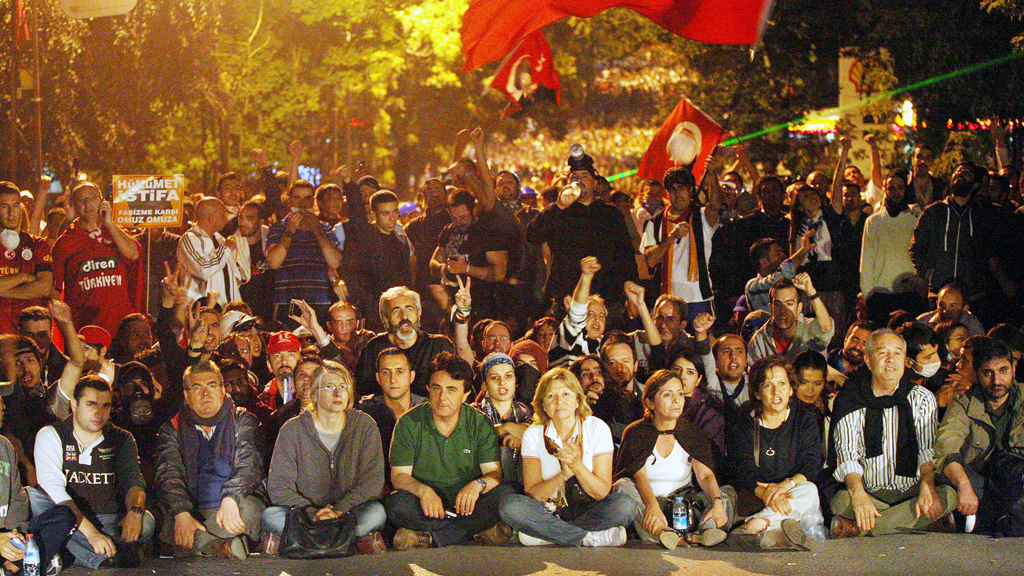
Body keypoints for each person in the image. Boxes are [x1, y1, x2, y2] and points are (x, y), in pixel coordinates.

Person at [829, 329, 956, 537]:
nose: (890, 360)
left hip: (911, 490)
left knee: (948, 495)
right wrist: (859, 494)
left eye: (897, 353)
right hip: (869, 490)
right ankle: (923, 523)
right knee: (841, 501)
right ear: (868, 361)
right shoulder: (850, 399)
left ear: (905, 360)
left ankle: (861, 527)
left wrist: (927, 484)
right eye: (882, 353)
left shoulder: (922, 398)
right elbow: (847, 457)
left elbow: (927, 450)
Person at [385, 352, 513, 549]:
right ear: (428, 389)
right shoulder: (409, 422)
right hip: (427, 505)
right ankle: (471, 532)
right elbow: (399, 476)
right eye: (436, 388)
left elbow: (494, 474)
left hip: (470, 504)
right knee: (396, 505)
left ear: (465, 395)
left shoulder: (479, 423)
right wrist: (423, 491)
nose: (442, 397)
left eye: (452, 390)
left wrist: (477, 485)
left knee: (504, 495)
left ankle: (431, 538)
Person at [499, 367, 635, 547]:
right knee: (510, 506)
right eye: (551, 396)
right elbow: (533, 493)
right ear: (543, 406)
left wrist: (577, 466)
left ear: (578, 400)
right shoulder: (533, 433)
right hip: (548, 510)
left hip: (590, 508)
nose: (559, 402)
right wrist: (563, 474)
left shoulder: (597, 428)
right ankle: (587, 537)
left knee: (625, 505)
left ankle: (547, 535)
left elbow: (601, 491)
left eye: (566, 394)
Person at [262, 361, 387, 555]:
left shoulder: (364, 425)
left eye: (343, 387)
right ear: (315, 394)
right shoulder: (293, 429)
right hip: (305, 514)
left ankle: (301, 541)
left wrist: (338, 511)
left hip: (348, 511)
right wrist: (312, 513)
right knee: (270, 516)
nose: (338, 393)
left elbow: (372, 482)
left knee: (376, 513)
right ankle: (350, 541)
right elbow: (279, 486)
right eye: (329, 387)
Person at [30, 376, 155, 569]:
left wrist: (134, 512)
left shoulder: (122, 438)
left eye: (106, 406)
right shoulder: (51, 434)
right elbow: (53, 489)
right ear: (74, 404)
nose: (99, 412)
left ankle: (70, 551)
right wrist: (91, 533)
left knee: (146, 523)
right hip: (70, 521)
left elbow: (134, 482)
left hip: (108, 519)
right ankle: (105, 556)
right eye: (91, 404)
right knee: (34, 499)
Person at [154, 361, 265, 559]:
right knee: (168, 518)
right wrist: (182, 513)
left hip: (230, 505)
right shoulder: (171, 428)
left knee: (249, 509)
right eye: (197, 388)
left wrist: (231, 497)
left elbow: (249, 465)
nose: (206, 394)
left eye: (212, 386)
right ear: (186, 396)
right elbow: (169, 475)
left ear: (222, 390)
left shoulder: (241, 420)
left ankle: (200, 544)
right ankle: (221, 546)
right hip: (193, 508)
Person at [612, 370, 734, 549]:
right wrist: (652, 506)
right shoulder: (636, 432)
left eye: (680, 394)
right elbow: (639, 475)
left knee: (726, 493)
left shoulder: (691, 432)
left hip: (682, 504)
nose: (676, 400)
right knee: (622, 486)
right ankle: (662, 532)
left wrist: (716, 502)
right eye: (667, 394)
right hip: (649, 503)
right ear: (650, 402)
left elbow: (705, 475)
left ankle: (704, 532)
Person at [725, 357, 823, 549]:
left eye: (782, 384)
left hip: (791, 492)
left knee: (809, 489)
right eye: (768, 385)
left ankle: (753, 527)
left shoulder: (804, 421)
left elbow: (812, 464)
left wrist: (785, 486)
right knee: (806, 498)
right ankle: (776, 534)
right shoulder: (745, 424)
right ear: (758, 393)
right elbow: (742, 468)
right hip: (756, 493)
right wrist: (766, 492)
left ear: (791, 389)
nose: (776, 391)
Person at [525, 147, 637, 309]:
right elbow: (533, 235)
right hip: (566, 297)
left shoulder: (610, 214)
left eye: (584, 176)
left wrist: (629, 295)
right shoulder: (558, 211)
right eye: (574, 177)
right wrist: (559, 206)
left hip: (605, 298)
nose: (579, 181)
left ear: (595, 182)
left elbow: (626, 256)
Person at [933, 337, 1024, 534]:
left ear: (1014, 368)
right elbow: (946, 446)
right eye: (987, 373)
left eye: (1003, 370)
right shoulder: (963, 403)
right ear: (976, 373)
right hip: (980, 480)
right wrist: (964, 485)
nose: (996, 381)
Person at [0, 385, 77, 575]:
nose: (3, 406)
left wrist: (15, 535)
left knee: (64, 515)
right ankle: (29, 566)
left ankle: (15, 566)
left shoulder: (5, 446)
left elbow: (17, 499)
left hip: (6, 539)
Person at [51, 181, 143, 336]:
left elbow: (133, 254)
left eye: (93, 197)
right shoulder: (66, 242)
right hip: (84, 328)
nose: (88, 203)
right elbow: (53, 287)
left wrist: (109, 224)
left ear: (102, 201)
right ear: (74, 207)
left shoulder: (116, 231)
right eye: (82, 200)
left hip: (121, 327)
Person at [640, 166, 723, 319]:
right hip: (666, 301)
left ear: (691, 190)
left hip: (699, 297)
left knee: (701, 341)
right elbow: (651, 260)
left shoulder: (702, 215)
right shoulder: (654, 223)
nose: (677, 194)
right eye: (672, 190)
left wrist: (712, 174)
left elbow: (716, 205)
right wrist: (671, 237)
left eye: (682, 188)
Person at [265, 179, 343, 326]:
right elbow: (274, 262)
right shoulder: (278, 227)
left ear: (313, 201)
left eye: (307, 198)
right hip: (287, 302)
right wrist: (290, 231)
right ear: (289, 201)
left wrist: (318, 231)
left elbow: (334, 262)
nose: (303, 203)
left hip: (319, 301)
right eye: (297, 198)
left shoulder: (324, 228)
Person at [354, 287, 455, 398]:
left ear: (419, 314)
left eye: (409, 309)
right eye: (396, 311)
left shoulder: (438, 345)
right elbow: (362, 391)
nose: (404, 316)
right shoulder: (374, 348)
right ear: (386, 320)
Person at [430, 189, 510, 322]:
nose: (458, 222)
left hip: (482, 305)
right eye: (454, 218)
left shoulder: (486, 232)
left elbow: (499, 273)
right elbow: (433, 263)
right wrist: (444, 269)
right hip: (452, 303)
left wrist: (466, 268)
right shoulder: (448, 231)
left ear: (473, 211)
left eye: (463, 217)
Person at [341, 186, 413, 332]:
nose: (392, 218)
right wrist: (348, 183)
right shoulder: (366, 237)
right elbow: (357, 214)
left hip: (396, 311)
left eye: (395, 212)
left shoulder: (401, 242)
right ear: (374, 215)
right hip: (371, 312)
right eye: (385, 213)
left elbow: (406, 278)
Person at [860, 169, 925, 326]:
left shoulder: (916, 218)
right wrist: (867, 294)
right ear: (885, 189)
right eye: (891, 188)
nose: (896, 192)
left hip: (910, 293)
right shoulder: (873, 221)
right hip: (881, 295)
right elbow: (867, 261)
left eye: (900, 187)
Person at [356, 348, 427, 480]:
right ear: (378, 378)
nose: (393, 379)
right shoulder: (366, 411)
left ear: (412, 376)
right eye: (386, 372)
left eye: (400, 372)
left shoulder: (427, 410)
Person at [176, 196, 250, 308]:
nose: (225, 219)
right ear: (211, 219)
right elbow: (204, 269)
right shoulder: (190, 239)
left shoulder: (220, 239)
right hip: (201, 311)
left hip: (227, 309)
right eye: (222, 215)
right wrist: (226, 249)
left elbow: (237, 278)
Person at [0, 181, 53, 334]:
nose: (12, 212)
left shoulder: (38, 245)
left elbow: (43, 288)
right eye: (4, 207)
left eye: (15, 206)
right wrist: (23, 277)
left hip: (30, 338)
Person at [747, 275, 834, 365]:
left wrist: (812, 293)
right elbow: (754, 374)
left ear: (799, 307)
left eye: (789, 304)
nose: (783, 311)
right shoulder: (760, 339)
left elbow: (826, 328)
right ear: (770, 308)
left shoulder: (809, 329)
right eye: (777, 304)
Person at [474, 353, 533, 486]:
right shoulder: (474, 413)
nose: (502, 382)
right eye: (494, 377)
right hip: (487, 484)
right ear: (484, 385)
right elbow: (473, 441)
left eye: (508, 376)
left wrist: (524, 438)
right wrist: (506, 428)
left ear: (515, 381)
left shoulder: (529, 411)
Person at [670, 349, 726, 465]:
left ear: (698, 380)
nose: (682, 376)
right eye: (677, 370)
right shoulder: (658, 402)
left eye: (690, 372)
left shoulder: (709, 410)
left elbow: (711, 454)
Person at [549, 257, 605, 369]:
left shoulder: (603, 347)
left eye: (601, 315)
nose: (597, 319)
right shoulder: (570, 337)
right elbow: (577, 312)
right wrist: (586, 277)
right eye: (591, 314)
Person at [701, 334, 750, 412]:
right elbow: (704, 353)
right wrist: (701, 332)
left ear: (746, 361)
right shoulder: (711, 382)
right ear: (715, 360)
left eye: (739, 351)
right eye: (726, 351)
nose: (733, 356)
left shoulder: (755, 386)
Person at [916, 284, 985, 337]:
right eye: (942, 305)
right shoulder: (922, 323)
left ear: (965, 308)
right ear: (937, 304)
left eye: (953, 306)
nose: (945, 311)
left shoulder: (974, 329)